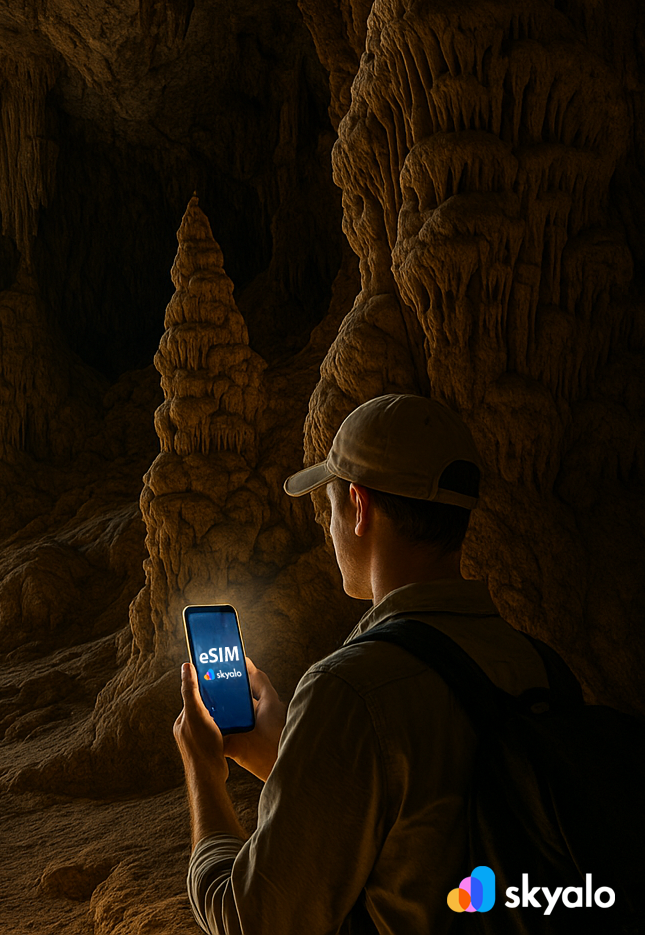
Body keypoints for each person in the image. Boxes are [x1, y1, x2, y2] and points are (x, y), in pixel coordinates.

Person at [172, 393, 549, 934]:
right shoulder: (535, 664)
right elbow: (424, 836)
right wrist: (291, 752)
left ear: (359, 507)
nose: (328, 529)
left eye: (329, 508)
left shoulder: (350, 690)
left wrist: (203, 773)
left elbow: (253, 921)